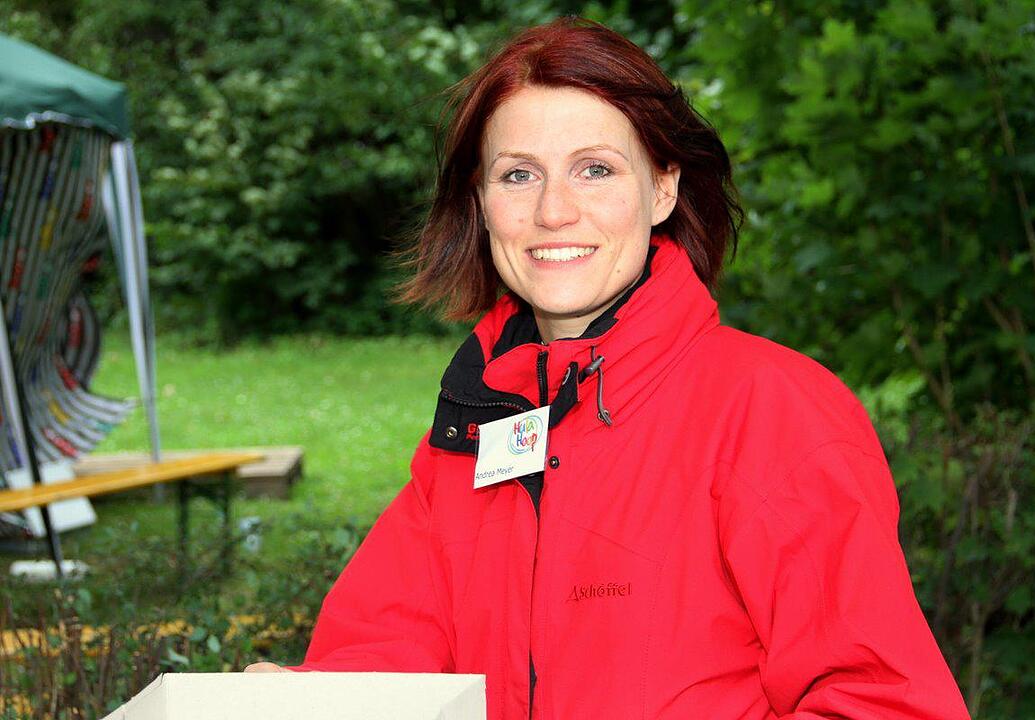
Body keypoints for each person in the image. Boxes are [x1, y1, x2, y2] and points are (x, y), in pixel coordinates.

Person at [246, 17, 971, 720]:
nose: (554, 210)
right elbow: (391, 649)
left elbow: (885, 704)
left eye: (595, 169)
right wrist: (308, 696)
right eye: (518, 174)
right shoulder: (478, 423)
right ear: (481, 202)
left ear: (663, 188)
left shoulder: (770, 409)